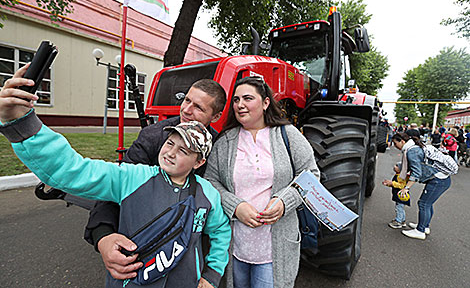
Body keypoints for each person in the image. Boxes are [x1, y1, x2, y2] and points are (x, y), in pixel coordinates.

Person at [0, 65, 231, 288]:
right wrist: (22, 123)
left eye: (184, 150)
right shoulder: (137, 171)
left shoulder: (212, 177)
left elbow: (221, 228)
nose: (186, 110)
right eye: (170, 142)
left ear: (201, 161)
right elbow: (76, 171)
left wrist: (211, 274)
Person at [85, 79, 227, 280]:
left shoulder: (219, 148)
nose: (186, 110)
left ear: (216, 116)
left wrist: (212, 275)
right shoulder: (152, 137)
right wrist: (103, 236)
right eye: (186, 100)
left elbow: (220, 215)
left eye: (198, 108)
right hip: (143, 253)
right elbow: (114, 189)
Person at [204, 76, 320, 288]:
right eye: (236, 100)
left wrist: (285, 201)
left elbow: (311, 173)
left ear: (266, 103)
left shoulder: (288, 135)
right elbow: (210, 181)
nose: (240, 105)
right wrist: (235, 206)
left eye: (248, 98)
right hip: (238, 245)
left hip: (275, 248)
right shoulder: (226, 141)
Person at [391, 132, 451, 240]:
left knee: (423, 204)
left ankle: (420, 231)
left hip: (437, 180)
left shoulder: (411, 152)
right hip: (440, 179)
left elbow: (416, 172)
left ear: (402, 141)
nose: (395, 146)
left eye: (395, 143)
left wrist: (406, 188)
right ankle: (424, 226)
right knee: (428, 203)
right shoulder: (413, 147)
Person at [382, 161, 410, 229]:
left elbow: (402, 185)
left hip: (401, 196)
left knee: (399, 208)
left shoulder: (401, 177)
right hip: (399, 195)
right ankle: (402, 221)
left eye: (397, 166)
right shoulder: (398, 175)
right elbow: (395, 184)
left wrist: (392, 183)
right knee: (400, 208)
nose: (394, 166)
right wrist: (389, 184)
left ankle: (398, 221)